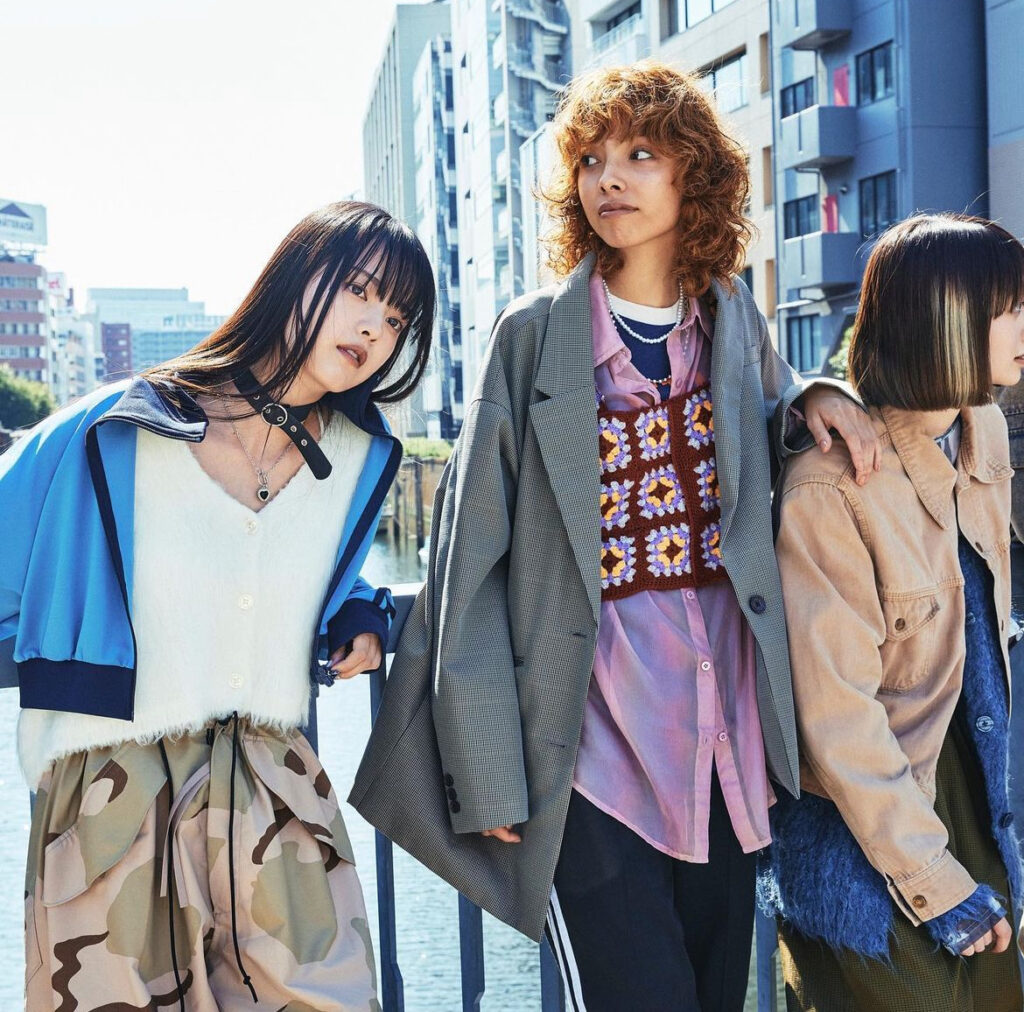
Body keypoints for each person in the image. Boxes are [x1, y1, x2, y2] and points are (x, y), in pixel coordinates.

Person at [351, 62, 877, 1011]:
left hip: (724, 747)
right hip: (592, 755)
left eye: (641, 154)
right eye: (591, 160)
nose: (610, 178)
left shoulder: (730, 314)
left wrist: (820, 391)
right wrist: (488, 767)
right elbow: (468, 561)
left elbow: (776, 406)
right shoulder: (532, 337)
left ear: (694, 176)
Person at [0, 200, 435, 1010]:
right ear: (295, 275)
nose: (375, 328)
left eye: (397, 317)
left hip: (272, 781)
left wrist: (358, 608)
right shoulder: (118, 426)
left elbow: (286, 564)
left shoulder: (357, 455)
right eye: (360, 291)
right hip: (112, 786)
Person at [759, 213, 1024, 1012]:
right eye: (1010, 308)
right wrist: (932, 878)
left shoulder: (981, 429)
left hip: (971, 789)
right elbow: (835, 722)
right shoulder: (832, 483)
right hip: (863, 832)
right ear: (944, 320)